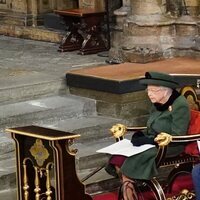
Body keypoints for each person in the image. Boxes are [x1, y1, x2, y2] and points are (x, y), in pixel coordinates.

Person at [105, 71, 190, 200]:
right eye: (148, 90)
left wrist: (151, 141)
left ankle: (129, 193)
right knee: (119, 155)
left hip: (169, 145)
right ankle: (130, 190)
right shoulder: (157, 102)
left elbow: (178, 134)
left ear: (165, 91)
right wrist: (142, 136)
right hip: (153, 141)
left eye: (153, 90)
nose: (149, 94)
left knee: (133, 157)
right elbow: (152, 126)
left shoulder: (180, 105)